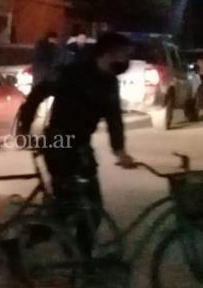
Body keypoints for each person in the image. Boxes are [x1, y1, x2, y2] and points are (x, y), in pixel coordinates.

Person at [16, 31, 137, 261]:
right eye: (123, 55)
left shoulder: (109, 82)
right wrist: (25, 128)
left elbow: (114, 118)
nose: (126, 62)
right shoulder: (73, 73)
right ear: (106, 53)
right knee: (68, 206)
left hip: (80, 146)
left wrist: (120, 150)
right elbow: (37, 94)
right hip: (59, 143)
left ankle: (83, 260)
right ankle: (16, 245)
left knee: (92, 208)